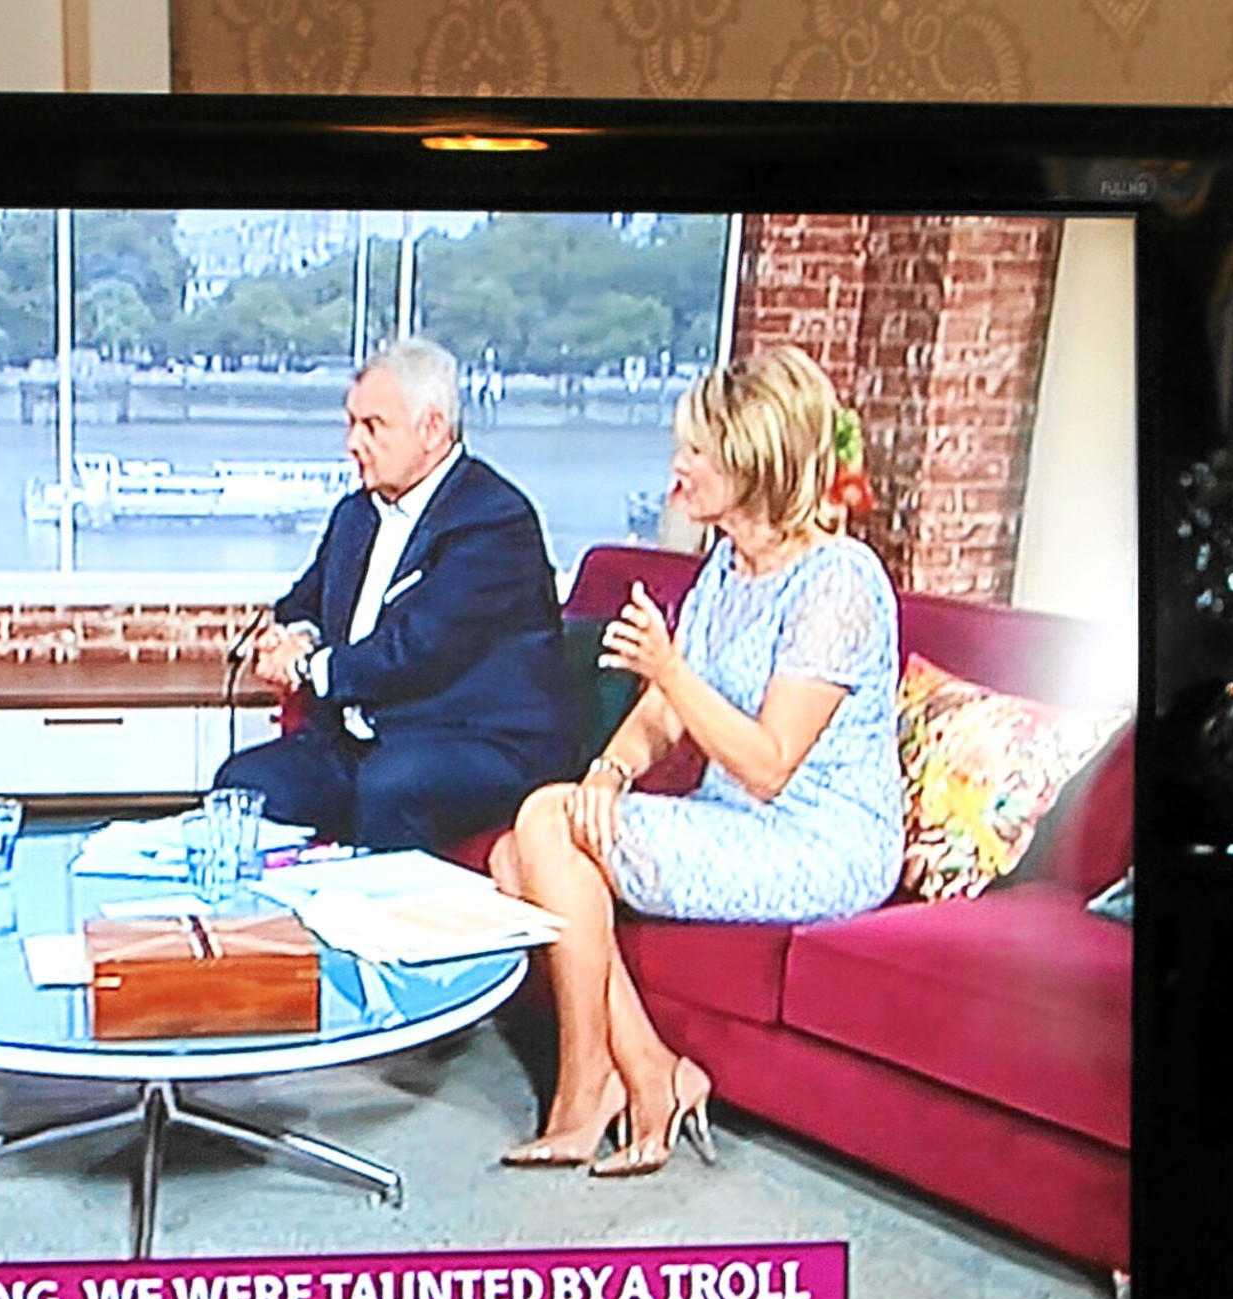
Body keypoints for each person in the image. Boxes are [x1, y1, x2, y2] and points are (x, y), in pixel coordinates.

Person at [489, 344, 903, 1177]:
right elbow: (664, 714)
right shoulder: (727, 566)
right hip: (735, 821)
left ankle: (592, 1087)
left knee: (538, 828)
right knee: (516, 852)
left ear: (755, 465)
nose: (677, 466)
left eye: (698, 453)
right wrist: (608, 772)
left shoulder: (839, 584)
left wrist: (670, 667)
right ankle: (648, 1071)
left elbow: (770, 765)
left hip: (821, 843)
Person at [215, 337, 570, 853]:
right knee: (246, 784)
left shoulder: (493, 522)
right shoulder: (356, 514)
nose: (353, 443)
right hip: (367, 740)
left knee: (392, 785)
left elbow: (415, 652)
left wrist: (306, 667)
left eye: (372, 427)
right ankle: (273, 927)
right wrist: (291, 637)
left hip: (477, 741)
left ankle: (378, 928)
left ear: (431, 430)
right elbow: (303, 602)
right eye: (351, 424)